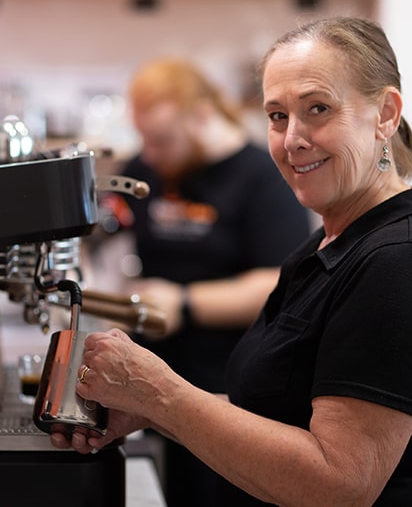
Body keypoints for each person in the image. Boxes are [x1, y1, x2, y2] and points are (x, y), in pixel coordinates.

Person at [55, 17, 412, 506]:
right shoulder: (327, 247)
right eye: (277, 116)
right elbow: (274, 416)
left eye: (317, 109)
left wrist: (160, 394)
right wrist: (148, 411)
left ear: (385, 113)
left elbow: (338, 484)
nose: (292, 139)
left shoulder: (404, 264)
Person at [100, 58, 312, 506]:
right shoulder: (150, 168)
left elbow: (278, 285)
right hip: (156, 377)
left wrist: (183, 303)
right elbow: (109, 221)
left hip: (228, 384)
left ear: (199, 116)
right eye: (144, 139)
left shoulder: (263, 178)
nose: (149, 154)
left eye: (160, 140)